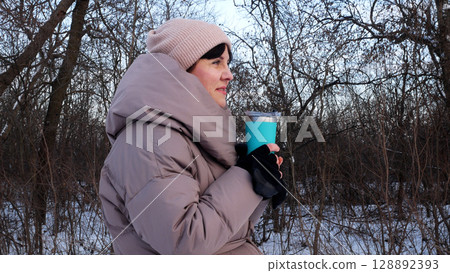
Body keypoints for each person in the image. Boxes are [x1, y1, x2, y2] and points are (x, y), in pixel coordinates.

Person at [99, 18, 287, 255]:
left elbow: (230, 233)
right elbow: (184, 241)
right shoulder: (148, 140)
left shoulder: (189, 138)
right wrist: (246, 176)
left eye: (227, 63)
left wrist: (257, 182)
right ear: (180, 70)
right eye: (216, 62)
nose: (229, 74)